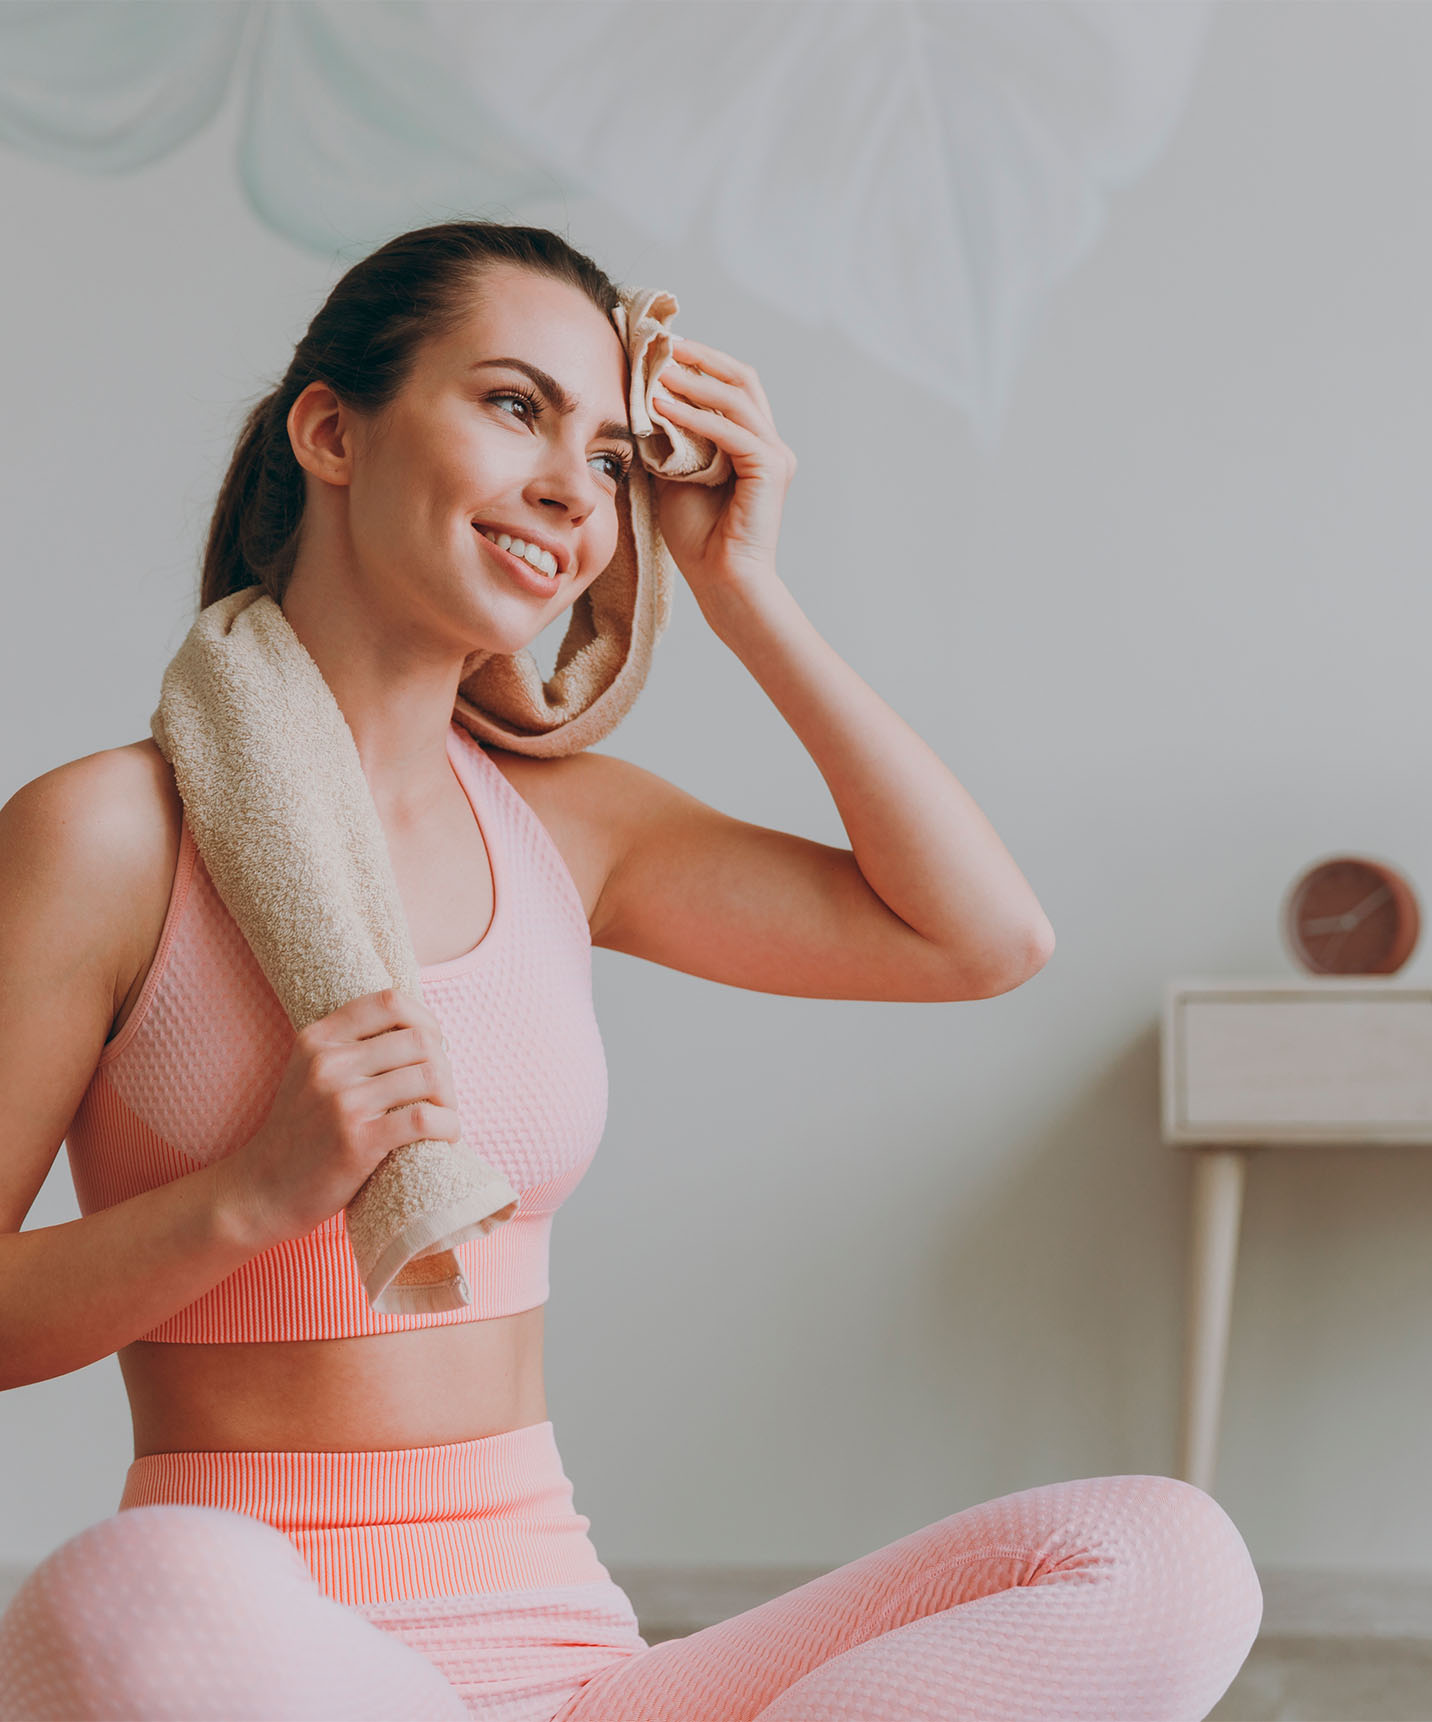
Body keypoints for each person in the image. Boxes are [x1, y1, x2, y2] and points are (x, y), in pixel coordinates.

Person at [0, 221, 1261, 1721]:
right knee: (130, 1587)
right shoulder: (109, 835)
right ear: (331, 431)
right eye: (516, 407)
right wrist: (252, 1195)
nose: (571, 490)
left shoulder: (566, 825)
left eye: (610, 457)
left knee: (1167, 1555)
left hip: (577, 1665)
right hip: (264, 1658)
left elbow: (983, 937)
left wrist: (748, 594)